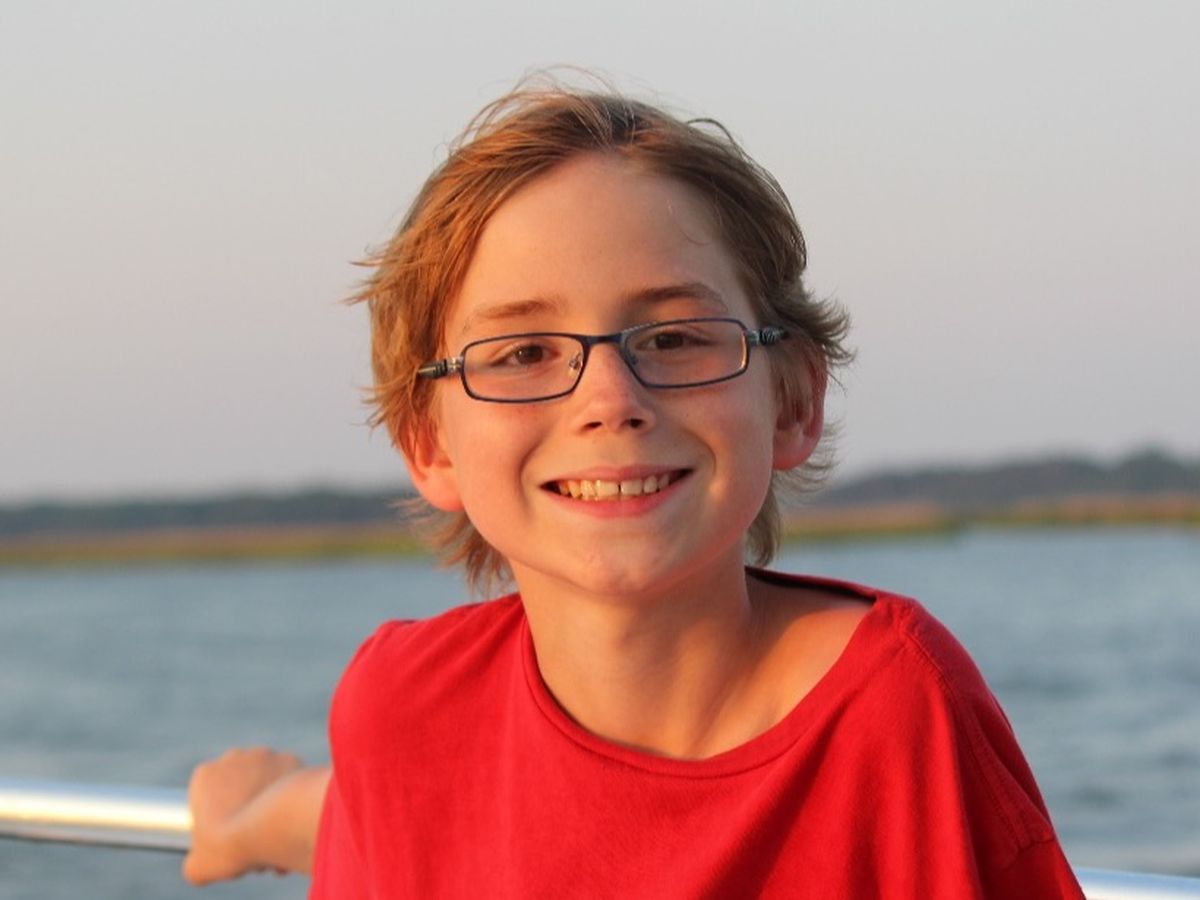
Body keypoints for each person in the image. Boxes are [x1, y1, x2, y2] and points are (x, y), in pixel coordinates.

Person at [182, 81, 1085, 898]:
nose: (610, 401)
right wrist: (246, 821)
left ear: (791, 401)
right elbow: (401, 798)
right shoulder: (404, 701)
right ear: (430, 443)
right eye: (524, 353)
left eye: (675, 338)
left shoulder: (891, 715)